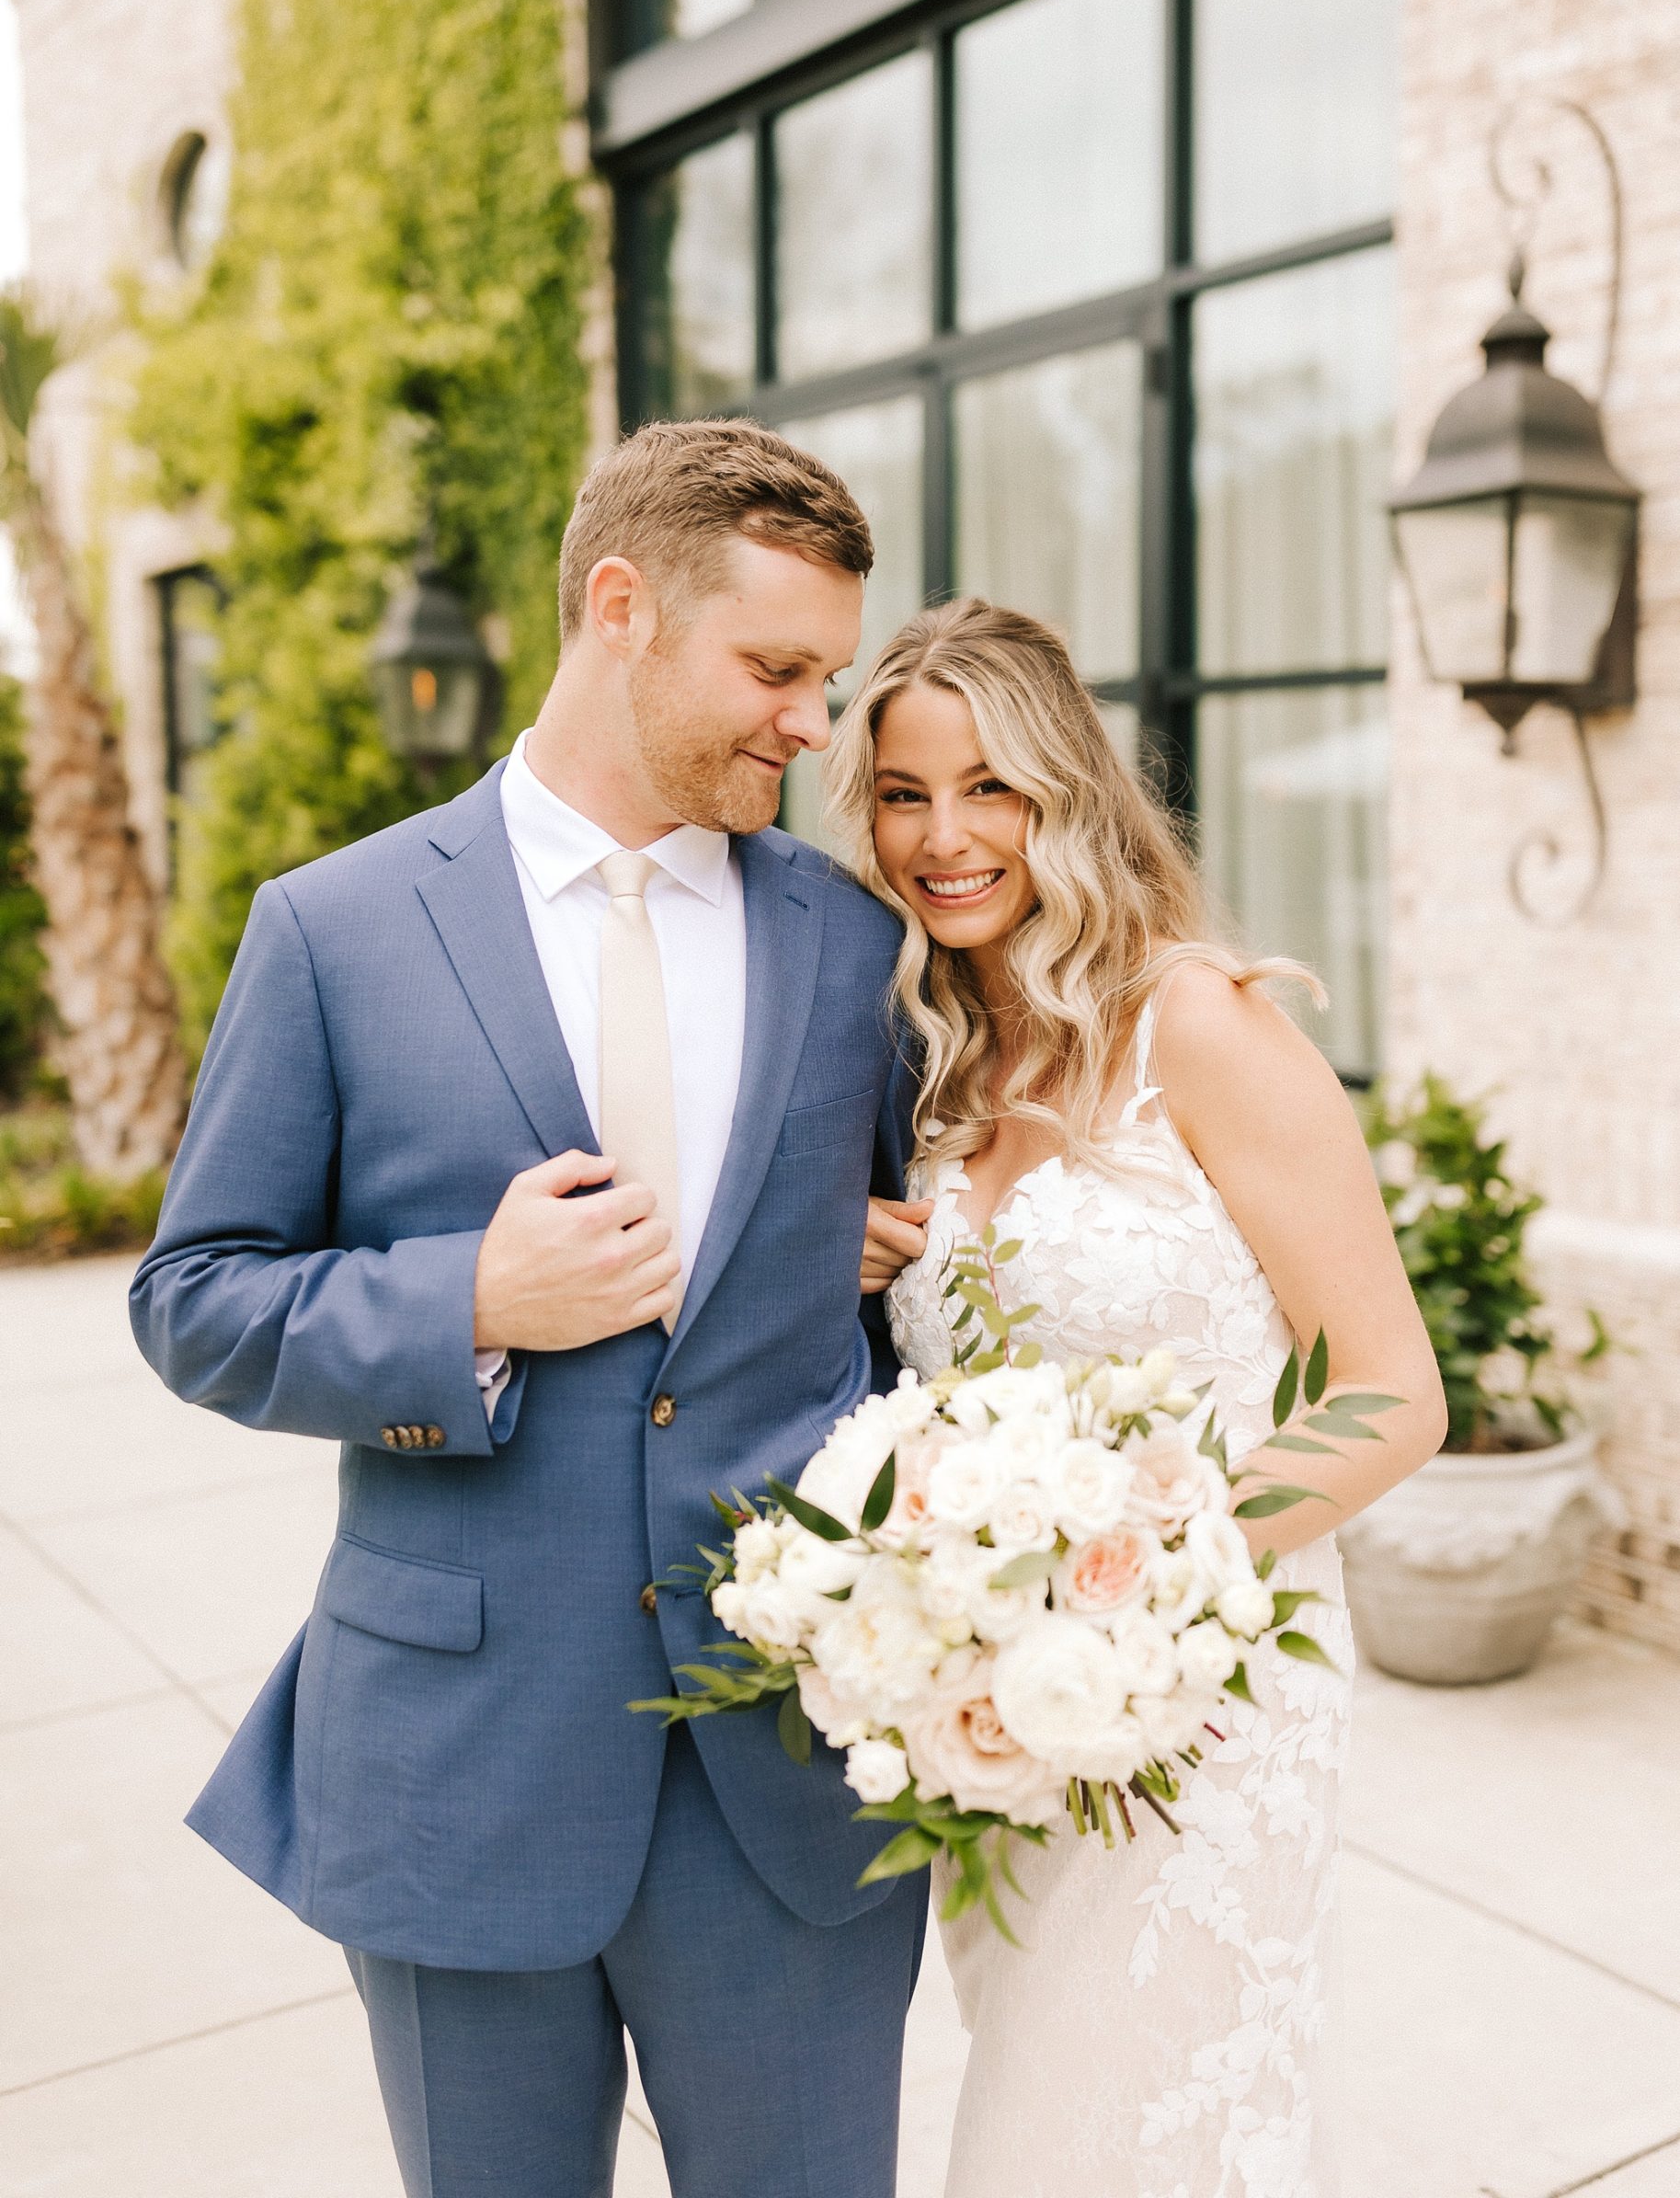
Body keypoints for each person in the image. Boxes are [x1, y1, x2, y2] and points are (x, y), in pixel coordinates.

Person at [129, 418, 932, 2198]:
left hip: (792, 1779)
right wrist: (466, 1302)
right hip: (456, 1774)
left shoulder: (856, 944)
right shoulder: (334, 929)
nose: (815, 724)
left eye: (830, 678)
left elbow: (880, 1308)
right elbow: (192, 1298)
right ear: (622, 607)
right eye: (778, 669)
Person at [834, 597, 1447, 2198]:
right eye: (904, 792)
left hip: (1208, 1703)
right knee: (1048, 2118)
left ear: (1071, 795)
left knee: (1123, 2138)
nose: (945, 837)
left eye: (992, 787)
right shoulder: (932, 1063)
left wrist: (1136, 1595)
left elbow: (1392, 1395)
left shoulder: (1201, 1024)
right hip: (1006, 1728)